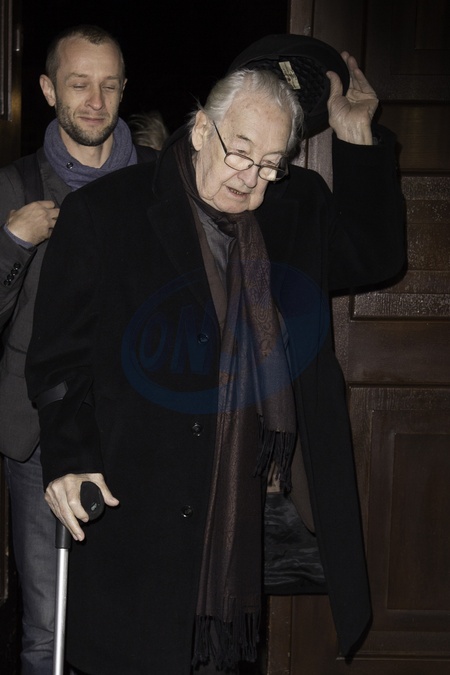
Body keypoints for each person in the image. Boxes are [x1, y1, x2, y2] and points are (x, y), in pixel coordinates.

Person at [25, 34, 405, 675]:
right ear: (202, 129)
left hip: (235, 500)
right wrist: (69, 459)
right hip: (134, 492)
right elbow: (59, 362)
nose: (251, 177)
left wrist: (355, 133)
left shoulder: (289, 211)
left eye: (271, 164)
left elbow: (375, 258)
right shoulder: (105, 213)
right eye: (241, 152)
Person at [0, 24, 156, 674]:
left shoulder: (158, 182)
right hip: (42, 434)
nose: (95, 101)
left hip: (138, 430)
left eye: (109, 86)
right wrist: (12, 242)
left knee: (135, 622)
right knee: (48, 630)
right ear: (47, 89)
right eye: (79, 84)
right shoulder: (14, 185)